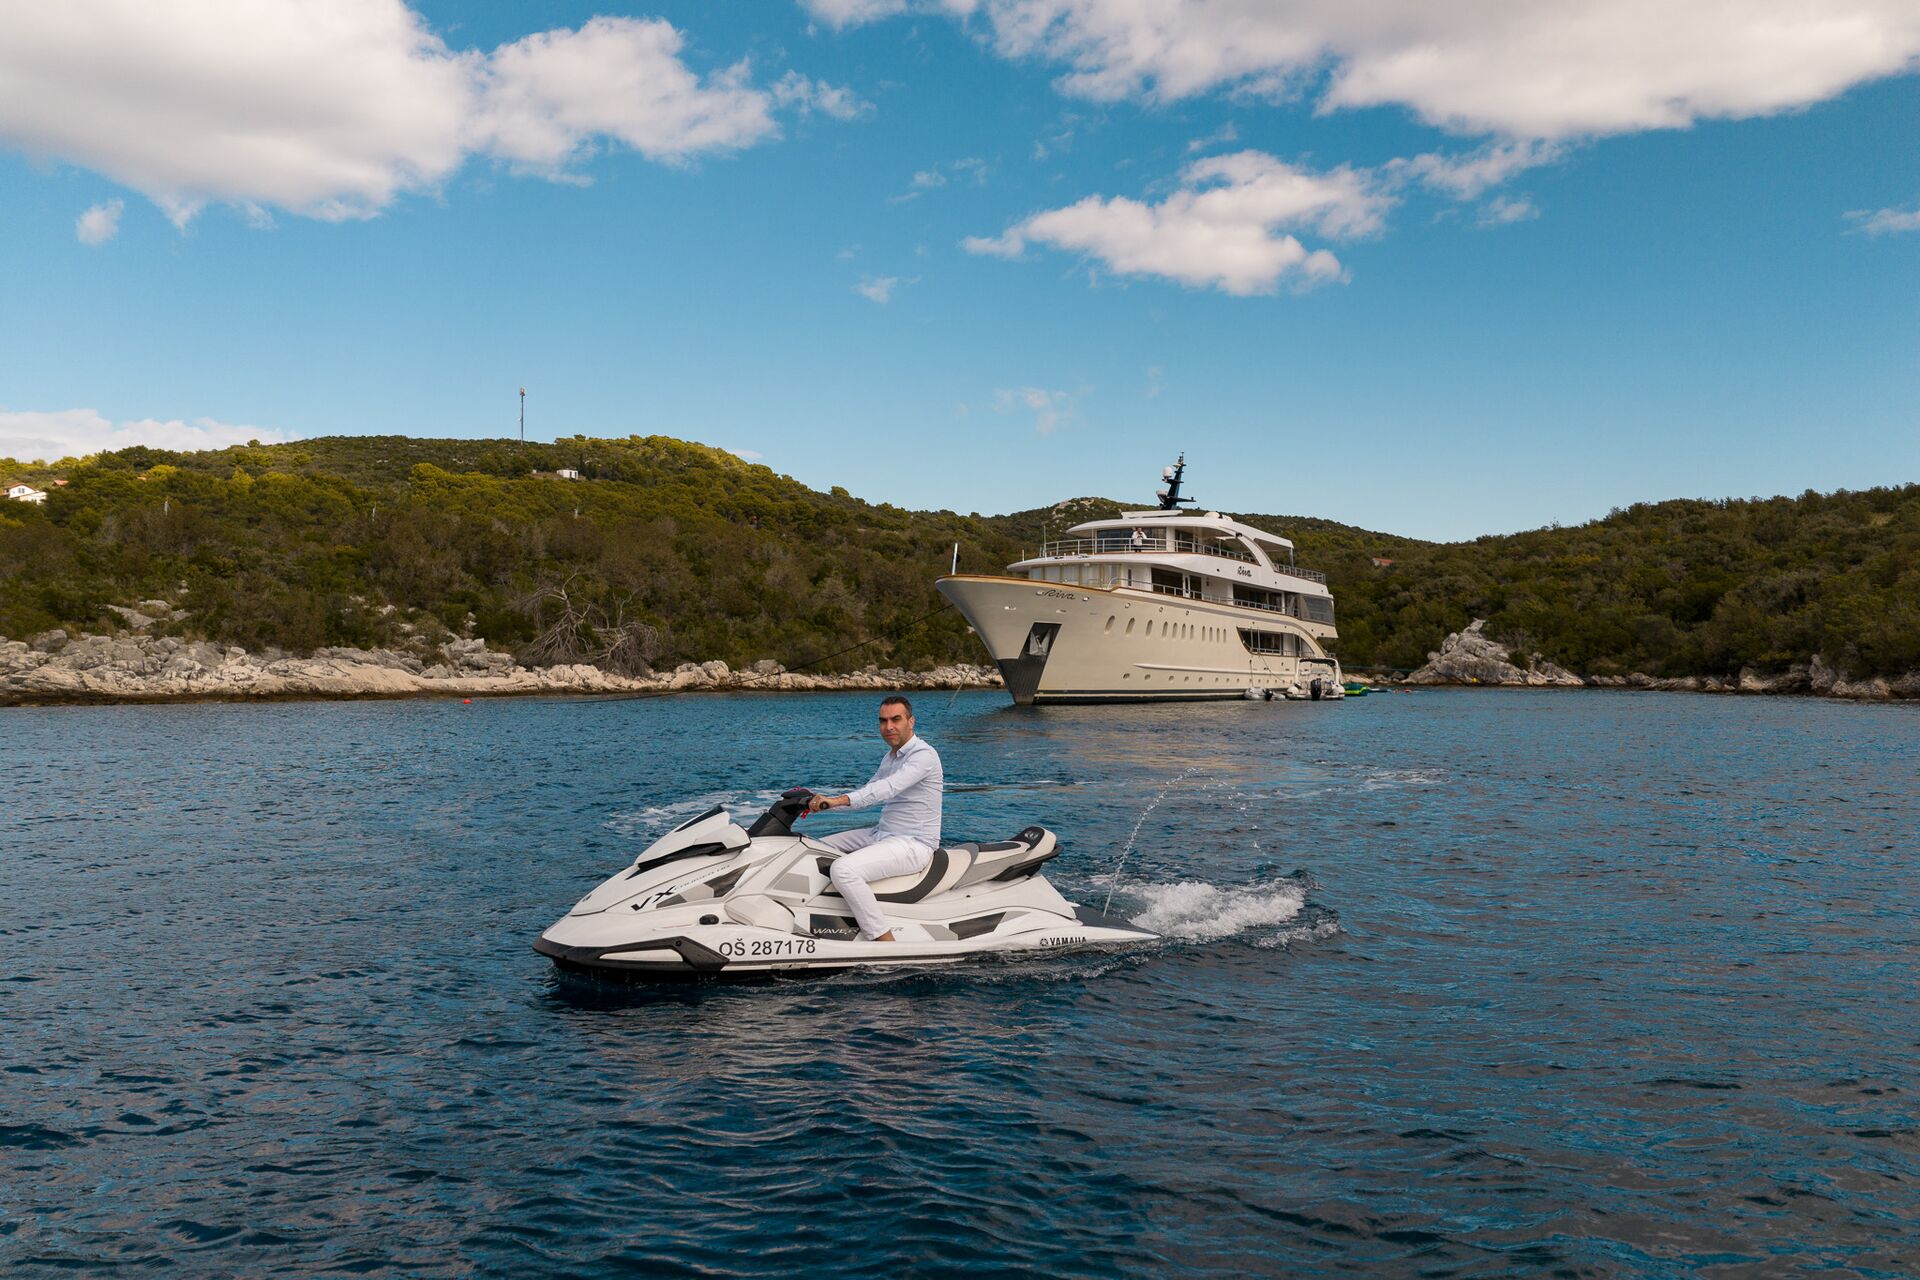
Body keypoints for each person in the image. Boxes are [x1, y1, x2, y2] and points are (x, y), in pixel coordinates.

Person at [804, 695, 943, 942]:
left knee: (843, 870)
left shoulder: (924, 756)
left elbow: (886, 789)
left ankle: (883, 939)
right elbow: (867, 794)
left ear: (911, 722)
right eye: (883, 721)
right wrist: (823, 804)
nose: (888, 726)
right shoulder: (891, 757)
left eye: (896, 719)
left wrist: (839, 799)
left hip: (914, 844)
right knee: (813, 848)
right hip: (882, 834)